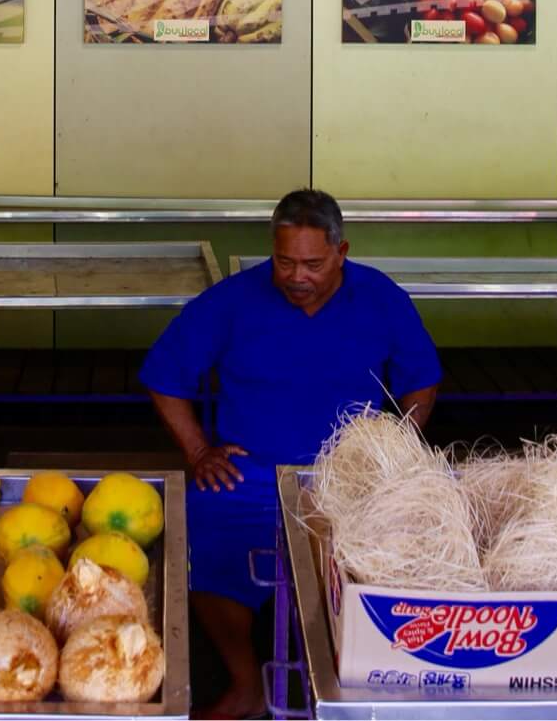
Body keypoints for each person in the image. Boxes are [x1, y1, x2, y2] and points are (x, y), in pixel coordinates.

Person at [142, 189, 440, 721]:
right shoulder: (232, 301)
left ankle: (352, 687)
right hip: (250, 474)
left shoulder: (381, 298)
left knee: (396, 559)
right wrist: (198, 450)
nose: (296, 276)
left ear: (341, 251)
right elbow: (165, 375)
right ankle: (245, 683)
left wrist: (398, 449)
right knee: (200, 538)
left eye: (313, 264)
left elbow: (422, 384)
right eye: (284, 261)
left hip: (350, 478)